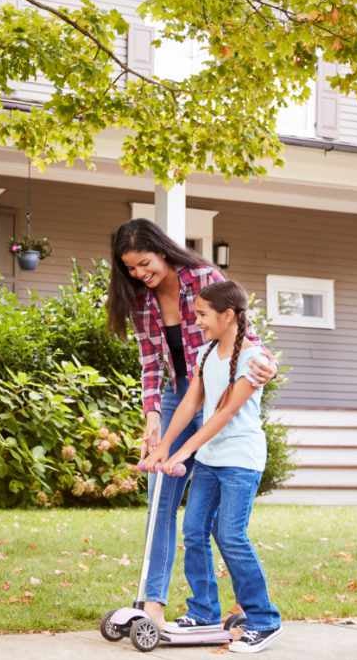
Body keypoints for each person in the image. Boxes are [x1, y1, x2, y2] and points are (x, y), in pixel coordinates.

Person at [106, 218, 277, 626]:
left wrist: (264, 361)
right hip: (176, 396)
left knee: (220, 522)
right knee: (162, 500)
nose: (139, 274)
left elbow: (236, 326)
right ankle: (153, 603)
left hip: (216, 388)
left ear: (162, 251)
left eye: (144, 263)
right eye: (130, 268)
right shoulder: (139, 300)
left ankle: (245, 607)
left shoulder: (202, 277)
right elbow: (150, 361)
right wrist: (152, 417)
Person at [145, 280, 282, 653]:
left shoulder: (253, 359)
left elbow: (224, 414)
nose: (197, 321)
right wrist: (164, 448)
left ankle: (264, 619)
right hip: (209, 461)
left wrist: (181, 453)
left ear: (227, 315)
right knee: (193, 531)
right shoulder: (206, 354)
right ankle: (204, 610)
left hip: (240, 460)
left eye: (203, 315)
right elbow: (190, 405)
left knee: (231, 535)